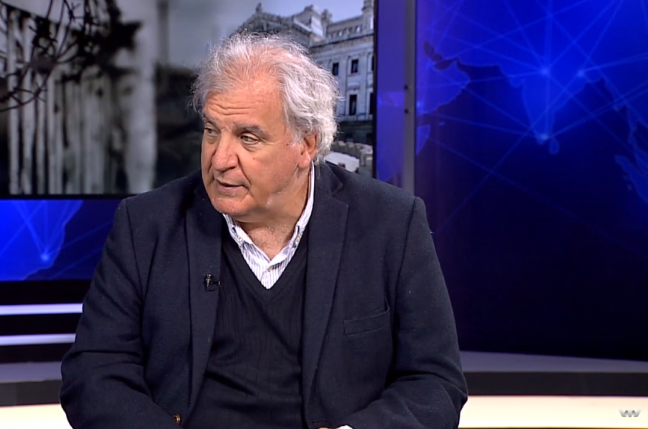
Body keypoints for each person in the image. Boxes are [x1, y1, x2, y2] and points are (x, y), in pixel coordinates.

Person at [60, 32, 468, 429]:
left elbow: (434, 381)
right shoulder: (146, 224)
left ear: (306, 145)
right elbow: (94, 372)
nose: (220, 159)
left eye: (248, 137)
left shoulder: (391, 223)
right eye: (211, 131)